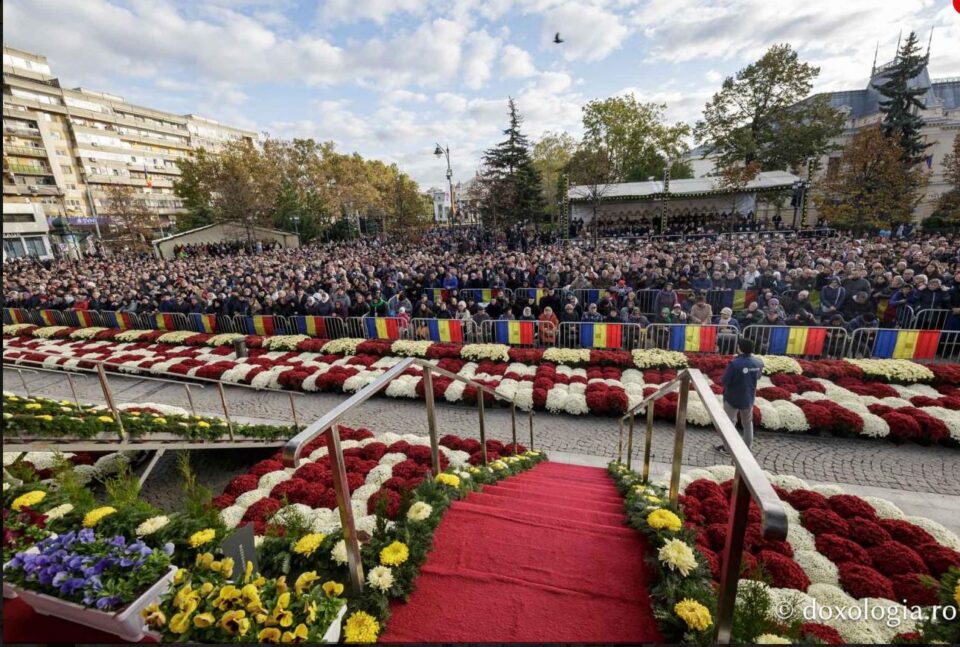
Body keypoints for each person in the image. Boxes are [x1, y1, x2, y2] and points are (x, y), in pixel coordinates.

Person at [716, 338, 764, 453]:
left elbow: (725, 380)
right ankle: (748, 446)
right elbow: (758, 377)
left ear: (740, 348)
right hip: (748, 397)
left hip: (732, 397)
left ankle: (727, 448)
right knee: (747, 422)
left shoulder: (735, 363)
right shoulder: (758, 362)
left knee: (729, 423)